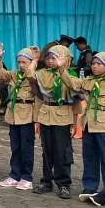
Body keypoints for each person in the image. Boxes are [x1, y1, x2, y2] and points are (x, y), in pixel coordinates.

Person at [62, 51, 105, 206]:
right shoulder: (88, 81)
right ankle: (90, 187)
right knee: (89, 157)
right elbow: (72, 83)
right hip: (89, 125)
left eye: (99, 64)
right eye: (93, 64)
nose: (95, 67)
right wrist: (61, 69)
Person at [0, 43, 38, 190]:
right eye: (19, 62)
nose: (21, 65)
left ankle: (26, 177)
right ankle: (14, 174)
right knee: (15, 146)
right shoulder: (13, 75)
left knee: (26, 147)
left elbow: (37, 93)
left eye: (24, 62)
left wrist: (35, 63)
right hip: (14, 114)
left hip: (27, 114)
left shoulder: (35, 76)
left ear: (31, 62)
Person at [31, 44, 75, 199]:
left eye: (55, 57)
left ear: (66, 60)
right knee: (47, 151)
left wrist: (77, 123)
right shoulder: (43, 74)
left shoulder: (71, 75)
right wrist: (35, 60)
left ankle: (64, 184)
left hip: (62, 117)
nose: (50, 61)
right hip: (46, 115)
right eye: (49, 57)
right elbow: (30, 76)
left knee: (62, 152)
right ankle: (46, 181)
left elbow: (74, 93)